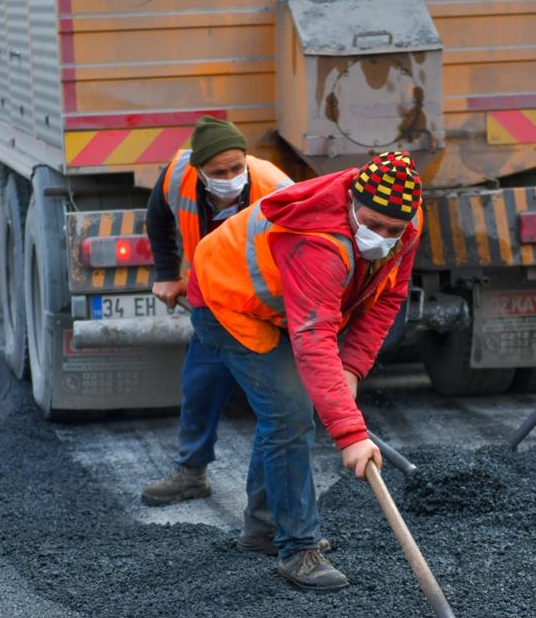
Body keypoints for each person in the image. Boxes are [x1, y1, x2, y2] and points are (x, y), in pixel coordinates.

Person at [189, 151, 423, 591]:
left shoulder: (406, 224)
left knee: (285, 411)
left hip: (282, 308)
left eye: (393, 230)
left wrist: (353, 365)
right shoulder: (319, 242)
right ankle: (298, 548)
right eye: (372, 224)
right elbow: (313, 340)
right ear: (352, 201)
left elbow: (390, 296)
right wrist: (350, 435)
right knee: (291, 411)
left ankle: (262, 527)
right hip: (227, 302)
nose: (382, 237)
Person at [139, 117, 292, 514]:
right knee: (201, 383)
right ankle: (192, 472)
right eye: (219, 172)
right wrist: (168, 275)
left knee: (277, 405)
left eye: (237, 168)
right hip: (210, 300)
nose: (230, 178)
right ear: (198, 170)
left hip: (261, 305)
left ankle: (269, 509)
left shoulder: (277, 188)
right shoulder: (176, 176)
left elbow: (301, 253)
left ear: (247, 160)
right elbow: (156, 218)